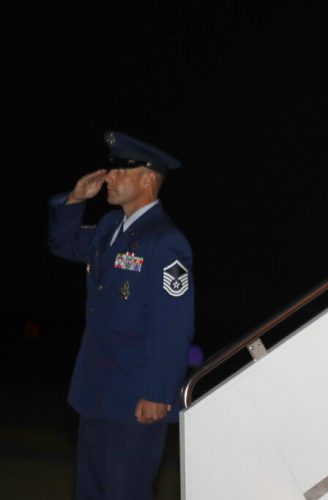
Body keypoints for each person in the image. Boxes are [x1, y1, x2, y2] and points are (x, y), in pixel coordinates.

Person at [48, 131, 194, 500]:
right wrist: (74, 200)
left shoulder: (166, 241)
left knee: (124, 492)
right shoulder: (110, 228)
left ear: (147, 180)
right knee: (91, 491)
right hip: (95, 389)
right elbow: (63, 244)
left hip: (136, 396)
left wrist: (159, 393)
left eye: (120, 170)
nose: (109, 176)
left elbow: (173, 326)